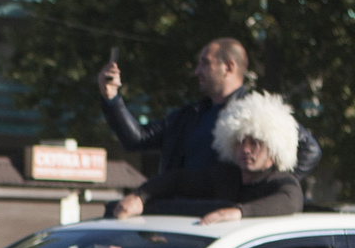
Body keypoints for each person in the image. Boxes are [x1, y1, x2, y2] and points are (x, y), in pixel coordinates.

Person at [97, 39, 321, 179]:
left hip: (224, 229)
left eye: (205, 63)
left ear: (228, 67)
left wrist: (267, 190)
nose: (196, 71)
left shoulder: (258, 113)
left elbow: (310, 150)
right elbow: (137, 139)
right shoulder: (190, 115)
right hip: (184, 221)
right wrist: (111, 98)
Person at [110, 91, 305, 223]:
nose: (245, 149)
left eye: (255, 143)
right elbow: (177, 180)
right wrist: (140, 197)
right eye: (239, 141)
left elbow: (291, 200)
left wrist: (239, 212)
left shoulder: (282, 183)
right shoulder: (224, 176)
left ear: (273, 148)